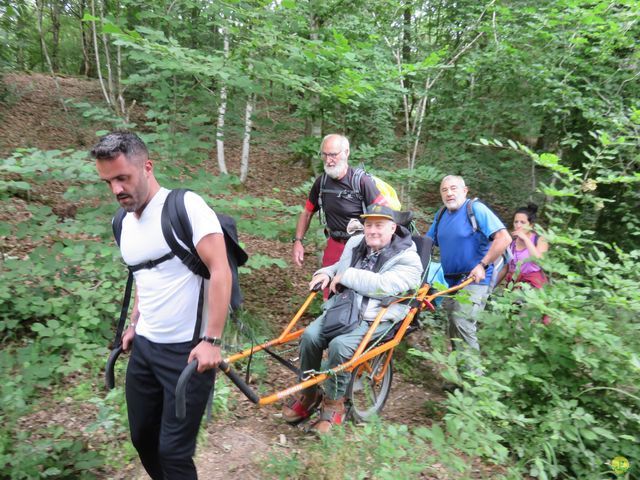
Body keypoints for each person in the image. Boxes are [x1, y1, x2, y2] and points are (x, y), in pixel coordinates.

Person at [92, 131, 232, 480]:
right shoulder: (121, 223)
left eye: (123, 178)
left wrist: (211, 340)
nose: (116, 189)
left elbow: (220, 269)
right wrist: (135, 323)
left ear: (148, 167)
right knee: (142, 438)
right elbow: (145, 277)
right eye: (108, 181)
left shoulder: (186, 207)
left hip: (189, 353)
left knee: (174, 453)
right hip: (145, 349)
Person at [282, 204, 423, 433]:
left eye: (379, 225)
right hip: (343, 310)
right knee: (309, 336)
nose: (373, 231)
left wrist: (346, 275)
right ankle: (309, 393)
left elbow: (382, 286)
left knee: (340, 346)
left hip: (376, 316)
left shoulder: (408, 259)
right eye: (369, 225)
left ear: (393, 228)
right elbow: (340, 266)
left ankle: (334, 404)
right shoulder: (356, 243)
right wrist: (327, 272)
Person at [425, 175, 511, 376]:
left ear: (465, 191)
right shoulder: (441, 215)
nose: (449, 193)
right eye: (444, 190)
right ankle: (463, 378)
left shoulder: (475, 209)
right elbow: (426, 243)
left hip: (477, 279)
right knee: (454, 328)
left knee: (462, 322)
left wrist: (482, 264)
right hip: (451, 281)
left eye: (453, 188)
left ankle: (475, 383)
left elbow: (504, 238)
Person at [292, 134, 388, 270]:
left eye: (333, 155)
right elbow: (307, 213)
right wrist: (298, 241)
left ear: (346, 153)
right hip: (334, 245)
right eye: (324, 155)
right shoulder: (322, 183)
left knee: (355, 289)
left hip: (361, 246)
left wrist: (377, 247)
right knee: (328, 286)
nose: (328, 160)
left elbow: (386, 215)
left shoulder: (361, 182)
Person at [497, 203, 549, 289]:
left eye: (522, 222)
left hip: (533, 285)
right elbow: (505, 269)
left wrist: (526, 239)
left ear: (531, 225)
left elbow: (540, 261)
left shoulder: (540, 240)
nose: (518, 225)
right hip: (514, 284)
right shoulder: (510, 243)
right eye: (516, 222)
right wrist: (491, 287)